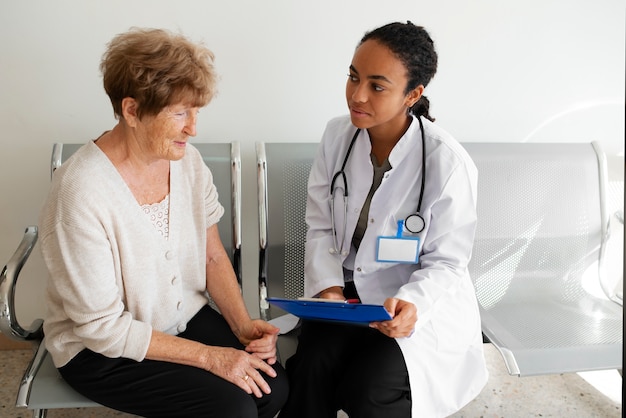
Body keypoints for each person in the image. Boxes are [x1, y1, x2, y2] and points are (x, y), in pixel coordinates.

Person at [38, 28, 288, 418]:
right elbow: (102, 328)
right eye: (179, 113)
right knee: (231, 407)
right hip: (101, 350)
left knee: (272, 387)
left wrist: (242, 328)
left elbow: (212, 257)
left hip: (181, 318)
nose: (193, 128)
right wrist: (211, 358)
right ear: (132, 110)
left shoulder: (187, 163)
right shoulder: (79, 192)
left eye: (196, 111)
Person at [279, 22, 488, 418]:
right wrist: (327, 289)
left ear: (413, 94)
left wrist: (412, 306)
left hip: (409, 305)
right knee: (311, 368)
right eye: (353, 77)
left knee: (369, 390)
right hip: (346, 299)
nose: (356, 95)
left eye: (377, 86)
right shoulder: (337, 136)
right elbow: (320, 225)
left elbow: (447, 263)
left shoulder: (446, 162)